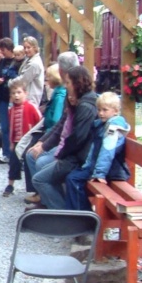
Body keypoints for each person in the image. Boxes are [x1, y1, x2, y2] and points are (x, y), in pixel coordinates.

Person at [25, 66, 98, 210]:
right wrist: (43, 143)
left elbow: (77, 138)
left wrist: (61, 154)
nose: (66, 86)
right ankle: (57, 208)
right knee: (36, 161)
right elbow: (61, 127)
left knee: (40, 178)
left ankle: (62, 214)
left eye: (68, 83)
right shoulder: (79, 101)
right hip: (74, 156)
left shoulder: (85, 106)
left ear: (77, 83)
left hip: (78, 160)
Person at [65, 92, 131, 211]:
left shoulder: (113, 128)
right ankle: (79, 213)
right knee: (73, 176)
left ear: (115, 111)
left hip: (112, 171)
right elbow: (94, 148)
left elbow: (107, 151)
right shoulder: (100, 125)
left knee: (73, 179)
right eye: (99, 110)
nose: (100, 113)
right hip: (99, 168)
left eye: (105, 110)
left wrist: (99, 174)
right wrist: (87, 165)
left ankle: (83, 215)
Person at [4, 79, 41, 197]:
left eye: (19, 92)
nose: (16, 96)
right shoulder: (11, 110)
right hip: (16, 142)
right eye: (14, 93)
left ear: (25, 93)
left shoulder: (31, 107)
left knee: (29, 164)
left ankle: (34, 189)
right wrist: (10, 142)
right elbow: (11, 127)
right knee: (13, 163)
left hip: (29, 141)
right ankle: (10, 184)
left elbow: (40, 123)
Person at [16, 37, 45, 106]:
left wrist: (10, 83)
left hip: (30, 100)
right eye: (24, 47)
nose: (26, 50)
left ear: (35, 48)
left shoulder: (34, 63)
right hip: (26, 98)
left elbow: (23, 80)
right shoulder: (28, 59)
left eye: (29, 47)